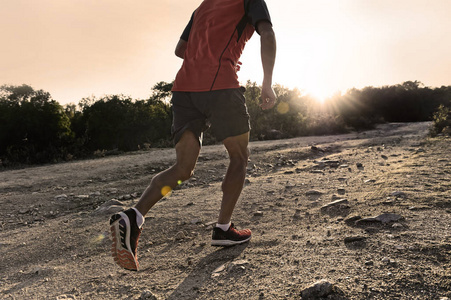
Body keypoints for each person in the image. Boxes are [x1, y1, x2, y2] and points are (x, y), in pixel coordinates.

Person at [110, 0, 277, 271]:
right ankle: (223, 229)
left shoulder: (202, 7)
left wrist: (204, 51)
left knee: (183, 168)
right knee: (239, 156)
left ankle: (134, 215)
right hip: (221, 85)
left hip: (184, 89)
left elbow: (180, 49)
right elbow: (267, 33)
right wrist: (267, 83)